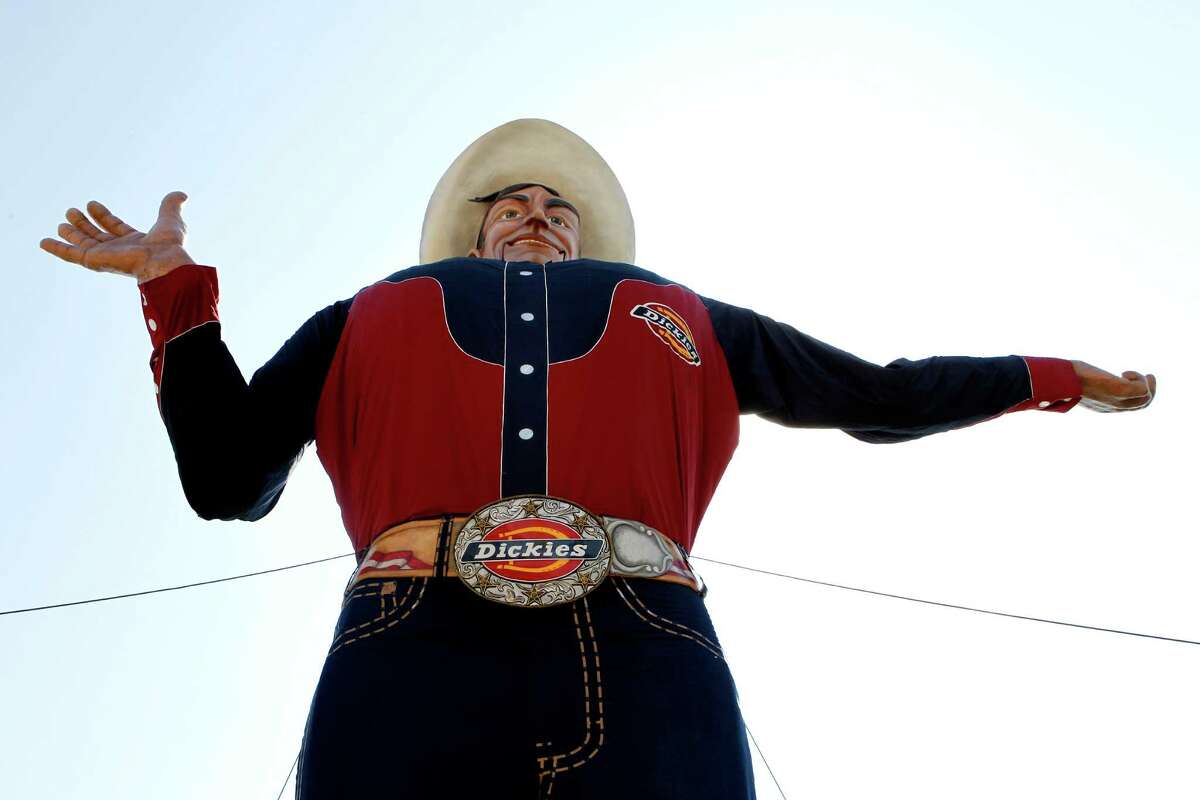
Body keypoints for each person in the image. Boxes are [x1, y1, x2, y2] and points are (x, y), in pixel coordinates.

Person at [39, 119, 1156, 799]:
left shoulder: (679, 312)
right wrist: (176, 296)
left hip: (645, 633)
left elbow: (874, 391)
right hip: (407, 635)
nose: (536, 216)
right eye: (513, 205)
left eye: (557, 208)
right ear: (475, 234)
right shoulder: (370, 313)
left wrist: (1046, 373)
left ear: (585, 237)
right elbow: (227, 476)